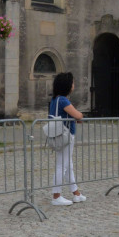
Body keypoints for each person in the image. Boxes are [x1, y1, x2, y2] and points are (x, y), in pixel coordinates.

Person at [48, 72, 85, 206]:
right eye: (72, 83)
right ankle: (56, 196)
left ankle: (76, 193)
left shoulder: (55, 100)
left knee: (68, 165)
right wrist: (79, 116)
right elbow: (78, 115)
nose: (73, 85)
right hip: (65, 136)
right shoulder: (63, 100)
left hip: (60, 135)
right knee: (62, 165)